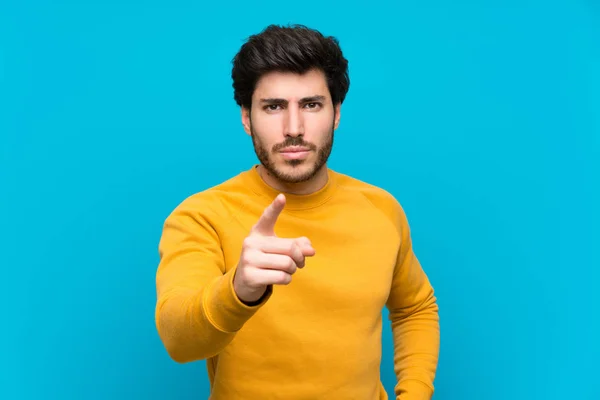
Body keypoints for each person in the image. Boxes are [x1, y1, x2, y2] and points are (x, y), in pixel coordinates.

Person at [155, 24, 440, 399]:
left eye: (311, 104)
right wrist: (238, 289)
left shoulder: (381, 208)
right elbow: (180, 341)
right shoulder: (201, 215)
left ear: (336, 112)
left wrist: (415, 394)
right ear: (246, 117)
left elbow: (415, 307)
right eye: (273, 107)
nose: (293, 128)